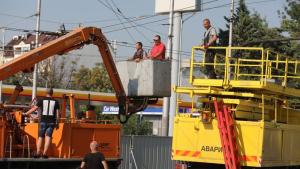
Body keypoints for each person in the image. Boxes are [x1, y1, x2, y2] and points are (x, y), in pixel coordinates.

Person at [24, 88, 60, 158]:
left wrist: (26, 113)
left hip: (43, 121)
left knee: (40, 137)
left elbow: (34, 108)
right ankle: (44, 154)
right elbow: (58, 114)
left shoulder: (42, 100)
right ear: (52, 93)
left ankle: (37, 153)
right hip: (51, 122)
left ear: (45, 93)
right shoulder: (56, 102)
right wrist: (57, 123)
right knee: (48, 137)